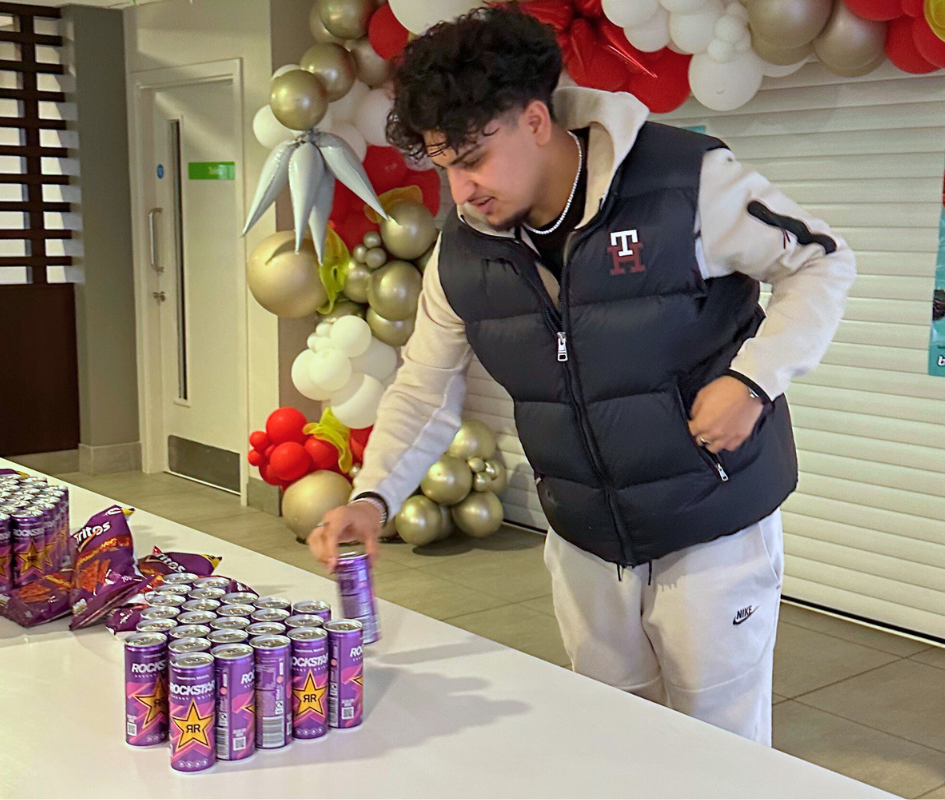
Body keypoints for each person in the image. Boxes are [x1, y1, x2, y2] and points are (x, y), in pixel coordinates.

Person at [308, 7, 856, 746]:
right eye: (444, 166)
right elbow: (422, 386)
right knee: (609, 731)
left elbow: (820, 259)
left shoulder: (684, 182)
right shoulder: (464, 255)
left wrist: (754, 382)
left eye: (472, 159)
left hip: (711, 524)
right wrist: (372, 497)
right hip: (584, 539)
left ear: (535, 119)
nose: (461, 190)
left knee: (719, 745)